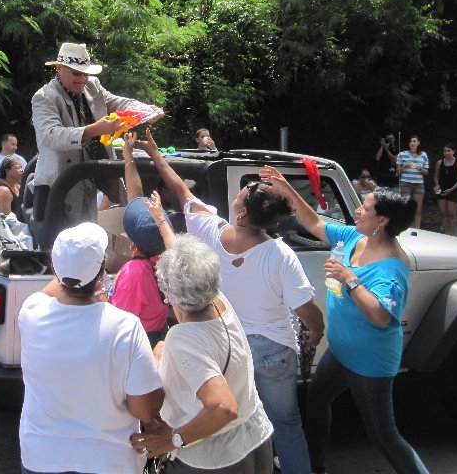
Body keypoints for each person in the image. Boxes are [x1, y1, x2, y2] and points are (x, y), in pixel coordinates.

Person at [136, 129, 324, 474]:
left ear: (239, 214)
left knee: (232, 412)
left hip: (223, 344)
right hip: (273, 349)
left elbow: (180, 190)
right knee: (285, 424)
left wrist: (154, 155)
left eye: (238, 197)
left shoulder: (209, 231)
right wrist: (315, 331)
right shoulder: (281, 254)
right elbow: (306, 310)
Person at [260, 165, 430, 474]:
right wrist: (284, 185)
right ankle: (314, 464)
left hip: (370, 363)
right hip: (341, 352)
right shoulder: (355, 237)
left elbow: (380, 317)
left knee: (383, 435)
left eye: (365, 207)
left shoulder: (392, 268)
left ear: (382, 220)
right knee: (317, 397)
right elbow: (312, 222)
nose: (357, 209)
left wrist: (349, 278)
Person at [18, 222, 164, 474]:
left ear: (54, 267)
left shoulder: (31, 312)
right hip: (109, 462)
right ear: (103, 268)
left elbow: (62, 284)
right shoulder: (125, 326)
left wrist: (76, 266)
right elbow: (144, 409)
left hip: (41, 458)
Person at [128, 234, 274, 473]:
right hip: (254, 438)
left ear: (168, 294)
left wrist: (172, 440)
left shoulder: (182, 339)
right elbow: (188, 264)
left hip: (217, 459)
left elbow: (224, 407)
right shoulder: (217, 300)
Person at [31, 42, 163, 227]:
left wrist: (146, 111)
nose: (83, 78)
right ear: (59, 69)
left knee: (88, 230)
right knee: (58, 241)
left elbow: (117, 102)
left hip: (89, 177)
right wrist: (94, 130)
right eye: (77, 73)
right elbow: (50, 136)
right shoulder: (44, 97)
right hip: (59, 183)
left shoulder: (92, 86)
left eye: (86, 73)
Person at [108, 132, 171, 346]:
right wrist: (129, 157)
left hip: (135, 344)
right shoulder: (166, 258)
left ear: (133, 240)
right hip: (155, 337)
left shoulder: (134, 272)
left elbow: (116, 320)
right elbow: (135, 195)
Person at [396, 135, 429, 229]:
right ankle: (404, 228)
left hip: (418, 184)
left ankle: (417, 230)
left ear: (418, 143)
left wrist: (420, 168)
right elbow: (397, 171)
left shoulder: (423, 155)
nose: (412, 143)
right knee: (406, 207)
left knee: (418, 209)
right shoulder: (402, 154)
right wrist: (404, 166)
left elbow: (426, 172)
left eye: (414, 141)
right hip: (405, 183)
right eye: (411, 141)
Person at [433, 143, 457, 236]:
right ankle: (446, 234)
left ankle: (451, 235)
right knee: (443, 213)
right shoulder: (439, 162)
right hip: (441, 190)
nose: (446, 153)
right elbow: (436, 176)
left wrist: (451, 189)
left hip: (454, 190)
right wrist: (437, 184)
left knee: (451, 214)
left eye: (449, 151)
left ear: (453, 152)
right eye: (445, 151)